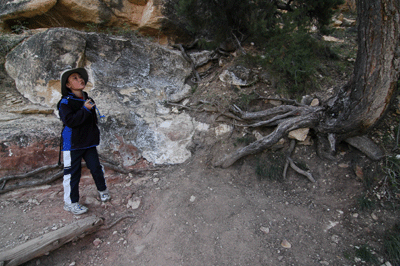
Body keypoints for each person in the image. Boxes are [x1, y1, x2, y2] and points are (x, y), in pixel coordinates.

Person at [57, 67, 110, 215]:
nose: (80, 79)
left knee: (96, 168)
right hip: (72, 143)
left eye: (80, 77)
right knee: (72, 173)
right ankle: (70, 203)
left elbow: (92, 121)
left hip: (88, 142)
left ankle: (102, 190)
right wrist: (85, 110)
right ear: (68, 85)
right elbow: (70, 121)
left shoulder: (87, 99)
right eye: (74, 78)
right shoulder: (65, 102)